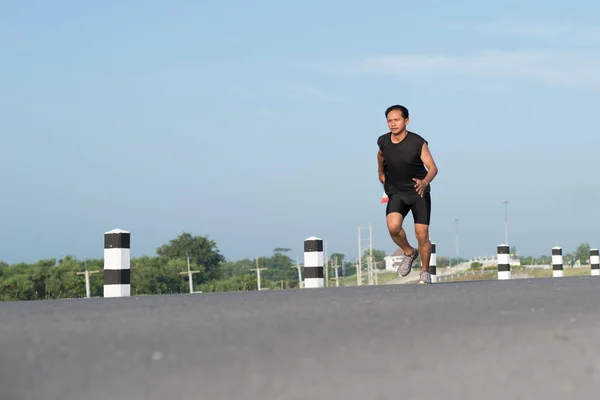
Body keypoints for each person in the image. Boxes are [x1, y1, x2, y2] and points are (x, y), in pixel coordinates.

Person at [377, 105, 438, 285]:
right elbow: (380, 155)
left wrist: (425, 182)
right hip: (396, 191)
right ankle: (409, 252)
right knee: (393, 227)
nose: (392, 124)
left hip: (418, 192)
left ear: (406, 121)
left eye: (396, 120)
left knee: (422, 234)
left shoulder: (418, 142)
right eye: (389, 120)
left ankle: (425, 272)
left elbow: (433, 168)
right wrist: (380, 172)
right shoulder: (383, 141)